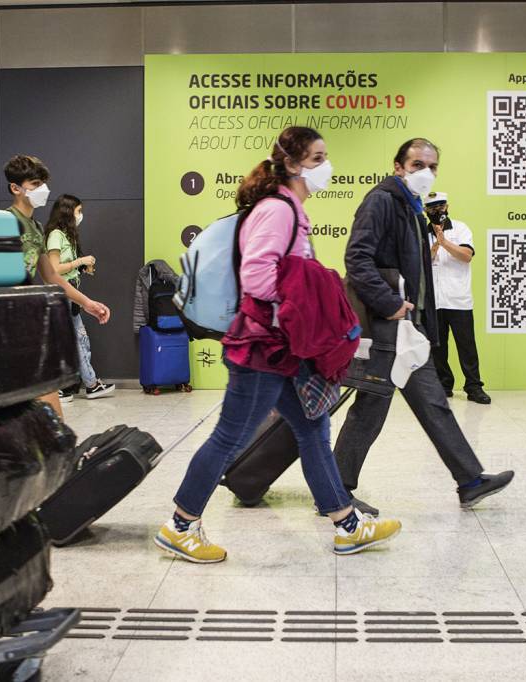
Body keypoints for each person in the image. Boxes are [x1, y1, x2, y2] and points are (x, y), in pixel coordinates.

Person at [154, 126, 403, 564]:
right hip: (263, 347)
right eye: (317, 158)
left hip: (281, 348)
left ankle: (347, 525)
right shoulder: (278, 211)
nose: (326, 167)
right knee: (229, 437)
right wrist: (301, 306)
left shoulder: (288, 208)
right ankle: (180, 524)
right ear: (292, 164)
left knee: (312, 430)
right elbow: (257, 277)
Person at [333, 138, 513, 515]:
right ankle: (335, 491)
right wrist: (390, 304)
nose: (425, 173)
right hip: (386, 325)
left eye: (431, 167)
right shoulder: (382, 201)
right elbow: (357, 259)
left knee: (434, 403)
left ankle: (470, 480)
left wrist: (418, 320)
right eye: (417, 165)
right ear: (398, 166)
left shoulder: (412, 208)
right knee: (370, 408)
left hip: (407, 328)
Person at [3, 154, 111, 417]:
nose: (42, 190)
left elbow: (51, 277)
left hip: (27, 315)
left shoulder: (37, 228)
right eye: (35, 183)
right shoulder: (5, 223)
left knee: (47, 390)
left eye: (43, 184)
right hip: (6, 317)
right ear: (16, 188)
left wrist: (87, 303)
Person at [44, 194, 115, 402]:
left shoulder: (67, 236)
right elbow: (54, 268)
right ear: (67, 212)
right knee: (78, 340)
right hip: (62, 296)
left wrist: (81, 267)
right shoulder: (56, 235)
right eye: (79, 211)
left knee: (77, 340)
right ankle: (89, 384)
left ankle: (68, 387)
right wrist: (78, 262)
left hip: (71, 295)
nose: (81, 215)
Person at [424, 192, 491, 404]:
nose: (437, 211)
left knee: (466, 345)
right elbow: (421, 264)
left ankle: (474, 386)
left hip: (458, 300)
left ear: (447, 206)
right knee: (437, 347)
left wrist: (444, 241)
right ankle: (444, 385)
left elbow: (467, 255)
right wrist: (434, 244)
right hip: (434, 300)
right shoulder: (420, 233)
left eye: (441, 206)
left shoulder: (461, 228)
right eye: (432, 208)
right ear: (426, 211)